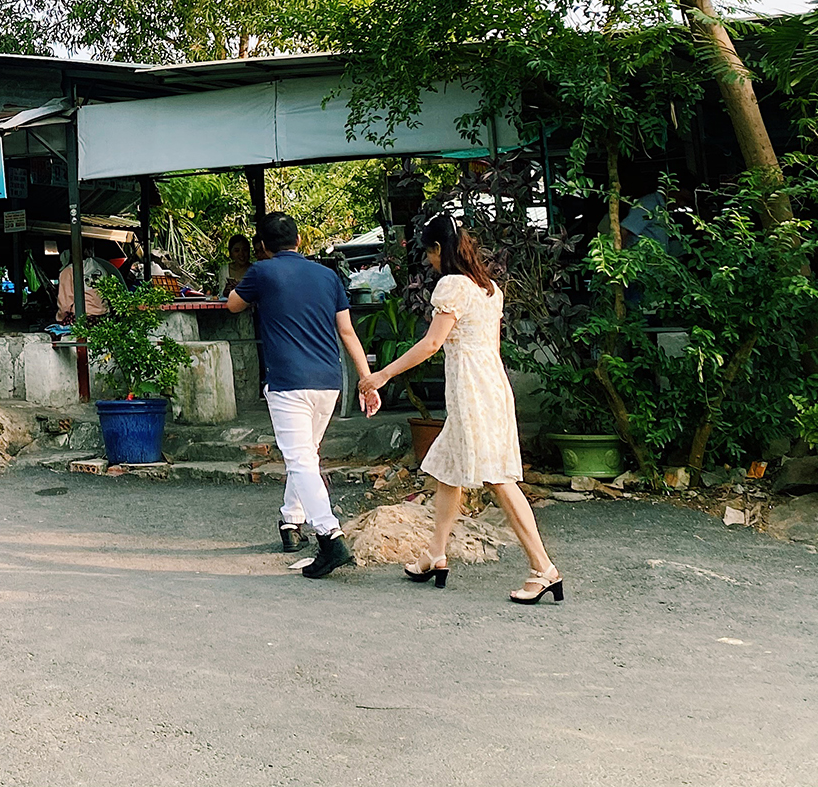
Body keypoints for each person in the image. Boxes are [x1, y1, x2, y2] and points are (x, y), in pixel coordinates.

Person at [360, 212, 565, 605]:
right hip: (490, 384)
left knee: (498, 478)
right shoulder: (487, 287)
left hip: (471, 390)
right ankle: (436, 553)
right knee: (449, 471)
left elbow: (432, 344)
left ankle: (544, 569)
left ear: (439, 249)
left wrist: (382, 374)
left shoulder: (452, 286)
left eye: (429, 254)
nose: (429, 262)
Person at [228, 212, 382, 578]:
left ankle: (330, 537)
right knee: (306, 456)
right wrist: (367, 378)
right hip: (328, 380)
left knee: (299, 460)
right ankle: (290, 521)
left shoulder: (262, 272)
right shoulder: (327, 276)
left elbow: (233, 304)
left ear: (263, 246)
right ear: (299, 241)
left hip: (287, 381)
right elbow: (347, 331)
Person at [55, 248, 109, 322]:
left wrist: (60, 318)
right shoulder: (99, 267)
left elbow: (65, 303)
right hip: (103, 314)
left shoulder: (69, 271)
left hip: (84, 316)